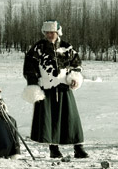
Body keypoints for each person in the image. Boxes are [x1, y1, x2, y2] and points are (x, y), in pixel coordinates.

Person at [22, 20, 88, 159]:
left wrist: (74, 77)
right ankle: (54, 148)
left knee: (71, 118)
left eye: (52, 32)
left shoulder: (67, 47)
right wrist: (33, 83)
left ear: (58, 32)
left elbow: (76, 64)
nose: (50, 35)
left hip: (64, 88)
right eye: (47, 32)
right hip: (46, 88)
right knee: (49, 119)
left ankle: (78, 147)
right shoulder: (38, 48)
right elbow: (29, 68)